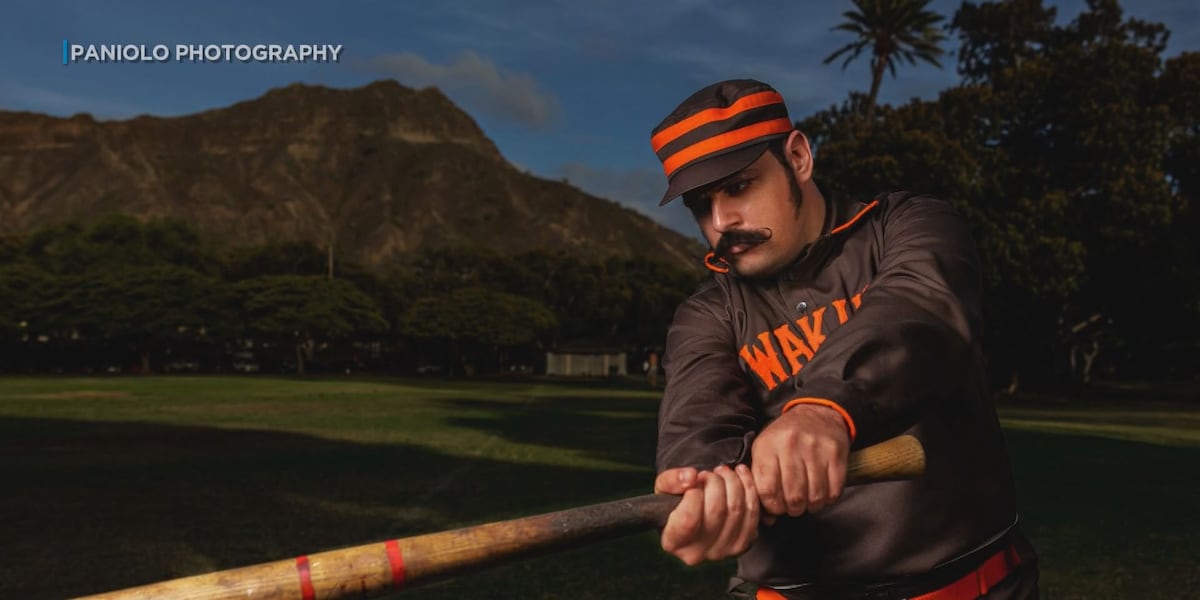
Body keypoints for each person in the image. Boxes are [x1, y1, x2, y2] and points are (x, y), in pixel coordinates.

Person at [648, 79, 1040, 599]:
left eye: (740, 186)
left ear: (798, 157)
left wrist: (822, 410)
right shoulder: (706, 313)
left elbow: (919, 311)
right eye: (701, 204)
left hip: (970, 585)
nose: (722, 222)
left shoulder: (907, 225)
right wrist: (701, 483)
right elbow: (697, 417)